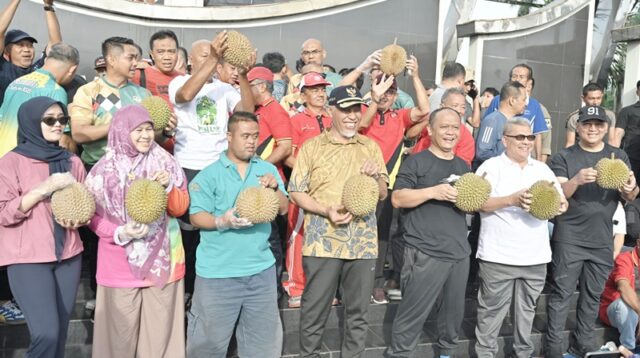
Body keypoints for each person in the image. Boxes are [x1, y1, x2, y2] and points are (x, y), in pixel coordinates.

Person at [289, 85, 388, 357]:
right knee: (314, 312)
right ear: (331, 110)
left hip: (363, 244)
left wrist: (375, 177)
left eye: (357, 109)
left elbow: (382, 192)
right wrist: (325, 210)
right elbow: (295, 191)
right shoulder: (312, 148)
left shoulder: (370, 147)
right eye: (345, 109)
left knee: (358, 315)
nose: (352, 116)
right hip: (323, 243)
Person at [85, 104, 189, 357]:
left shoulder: (165, 162)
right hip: (117, 262)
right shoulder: (102, 171)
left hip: (163, 260)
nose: (145, 136)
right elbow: (91, 217)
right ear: (122, 131)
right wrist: (120, 232)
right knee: (119, 341)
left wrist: (168, 188)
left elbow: (180, 208)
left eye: (149, 129)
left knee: (160, 338)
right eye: (138, 130)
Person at [186, 111, 288, 357]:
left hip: (260, 271)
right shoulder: (208, 175)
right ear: (229, 136)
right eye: (245, 136)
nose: (251, 141)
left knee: (262, 347)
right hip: (217, 274)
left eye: (255, 136)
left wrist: (274, 189)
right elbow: (196, 216)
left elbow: (283, 208)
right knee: (207, 346)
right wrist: (223, 221)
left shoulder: (267, 170)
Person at [545, 105, 639, 356]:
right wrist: (576, 180)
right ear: (578, 127)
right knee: (561, 294)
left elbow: (629, 194)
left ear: (606, 128)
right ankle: (553, 348)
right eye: (588, 124)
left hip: (602, 238)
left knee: (592, 295)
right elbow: (557, 194)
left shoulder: (617, 156)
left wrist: (630, 186)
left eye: (598, 124)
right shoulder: (563, 157)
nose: (593, 129)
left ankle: (583, 345)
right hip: (570, 237)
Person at [168, 33, 254, 300]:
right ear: (190, 61)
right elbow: (185, 96)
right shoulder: (179, 82)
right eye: (204, 55)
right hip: (189, 166)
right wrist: (214, 58)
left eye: (214, 54)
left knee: (218, 226)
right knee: (190, 231)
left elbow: (246, 114)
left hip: (218, 167)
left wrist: (244, 76)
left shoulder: (225, 88)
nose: (212, 58)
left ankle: (211, 285)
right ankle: (187, 288)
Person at [473, 118, 567, 357]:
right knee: (490, 313)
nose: (526, 142)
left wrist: (560, 206)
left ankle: (523, 354)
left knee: (527, 313)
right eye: (520, 137)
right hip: (498, 255)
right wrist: (511, 200)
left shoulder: (542, 169)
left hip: (535, 257)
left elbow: (559, 200)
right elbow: (477, 203)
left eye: (530, 137)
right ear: (505, 140)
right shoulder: (490, 167)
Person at [0, 96, 86, 357]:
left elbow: (86, 205)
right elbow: (3, 213)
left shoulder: (73, 162)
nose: (58, 124)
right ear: (30, 122)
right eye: (50, 120)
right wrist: (41, 190)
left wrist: (81, 218)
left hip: (69, 255)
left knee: (59, 334)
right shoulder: (10, 162)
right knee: (45, 333)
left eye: (63, 119)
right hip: (27, 258)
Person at [384, 108, 471, 357]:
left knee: (453, 317)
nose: (450, 132)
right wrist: (433, 191)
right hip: (425, 251)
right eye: (444, 127)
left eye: (455, 127)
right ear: (430, 130)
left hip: (458, 252)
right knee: (411, 314)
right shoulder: (416, 161)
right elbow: (398, 198)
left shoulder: (463, 166)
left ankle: (446, 353)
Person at [357, 57, 430, 304]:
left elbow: (424, 110)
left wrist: (416, 76)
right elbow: (361, 125)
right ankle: (352, 286)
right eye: (381, 90)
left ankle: (378, 285)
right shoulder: (360, 110)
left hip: (387, 186)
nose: (386, 96)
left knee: (383, 236)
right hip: (360, 184)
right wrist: (374, 101)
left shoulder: (399, 116)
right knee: (358, 233)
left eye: (391, 91)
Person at [282, 71, 332, 308]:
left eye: (322, 89)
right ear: (302, 95)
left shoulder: (334, 119)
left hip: (329, 190)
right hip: (303, 188)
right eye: (314, 89)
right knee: (298, 236)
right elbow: (288, 156)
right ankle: (295, 287)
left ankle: (324, 289)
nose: (320, 93)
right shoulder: (295, 121)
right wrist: (309, 175)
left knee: (326, 235)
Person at [0, 43, 78, 156]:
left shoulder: (16, 82)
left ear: (46, 60)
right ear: (72, 70)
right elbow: (63, 141)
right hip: (25, 160)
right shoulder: (54, 90)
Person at [0, 0, 62, 106]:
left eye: (30, 45)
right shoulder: (3, 68)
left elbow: (56, 44)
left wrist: (48, 6)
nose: (27, 49)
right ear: (6, 50)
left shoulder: (39, 70)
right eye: (20, 45)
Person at [484, 64, 549, 160]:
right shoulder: (497, 100)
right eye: (514, 76)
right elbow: (487, 127)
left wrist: (538, 161)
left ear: (529, 82)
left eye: (521, 77)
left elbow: (537, 134)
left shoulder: (535, 105)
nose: (517, 79)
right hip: (498, 157)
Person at [409, 87, 476, 166]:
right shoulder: (429, 122)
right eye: (455, 105)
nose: (459, 110)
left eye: (463, 107)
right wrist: (428, 121)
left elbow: (461, 166)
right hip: (415, 166)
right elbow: (410, 135)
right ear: (442, 106)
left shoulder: (465, 135)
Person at [599, 238, 640, 353]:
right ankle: (628, 348)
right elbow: (623, 287)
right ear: (638, 243)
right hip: (615, 309)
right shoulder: (624, 258)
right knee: (625, 304)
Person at [474, 81, 527, 168]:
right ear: (512, 100)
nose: (526, 104)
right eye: (524, 100)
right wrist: (509, 160)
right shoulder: (492, 121)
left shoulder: (513, 122)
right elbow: (482, 153)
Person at [339, 50, 415, 110]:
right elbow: (339, 92)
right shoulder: (361, 96)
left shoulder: (404, 99)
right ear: (370, 74)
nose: (382, 72)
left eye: (384, 69)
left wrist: (416, 77)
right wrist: (363, 67)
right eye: (378, 69)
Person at [132, 29, 180, 104]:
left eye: (171, 51)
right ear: (152, 54)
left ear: (177, 52)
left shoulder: (185, 80)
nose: (167, 57)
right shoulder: (138, 75)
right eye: (161, 52)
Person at [565, 82, 616, 148]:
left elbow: (611, 141)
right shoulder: (575, 117)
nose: (595, 102)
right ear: (583, 98)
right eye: (591, 98)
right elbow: (570, 143)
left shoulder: (609, 115)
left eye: (598, 98)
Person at [613, 80, 640, 180]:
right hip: (631, 157)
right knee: (629, 188)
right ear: (637, 92)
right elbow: (618, 133)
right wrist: (613, 155)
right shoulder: (627, 111)